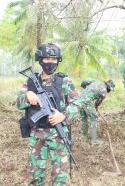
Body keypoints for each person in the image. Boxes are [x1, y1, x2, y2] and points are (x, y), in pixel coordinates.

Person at [16, 43, 80, 185]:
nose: (50, 63)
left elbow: (77, 104)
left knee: (60, 178)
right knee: (35, 176)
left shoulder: (64, 81)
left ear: (58, 61)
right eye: (47, 59)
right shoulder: (31, 81)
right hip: (37, 135)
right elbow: (18, 102)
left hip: (59, 135)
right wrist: (28, 95)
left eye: (54, 59)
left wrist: (63, 115)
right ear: (40, 60)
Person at [80, 79, 115, 145]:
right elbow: (97, 102)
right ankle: (94, 141)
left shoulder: (95, 81)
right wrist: (96, 108)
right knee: (94, 119)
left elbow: (84, 82)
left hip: (79, 99)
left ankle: (84, 137)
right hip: (87, 101)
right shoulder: (104, 92)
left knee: (84, 118)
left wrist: (86, 90)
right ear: (108, 88)